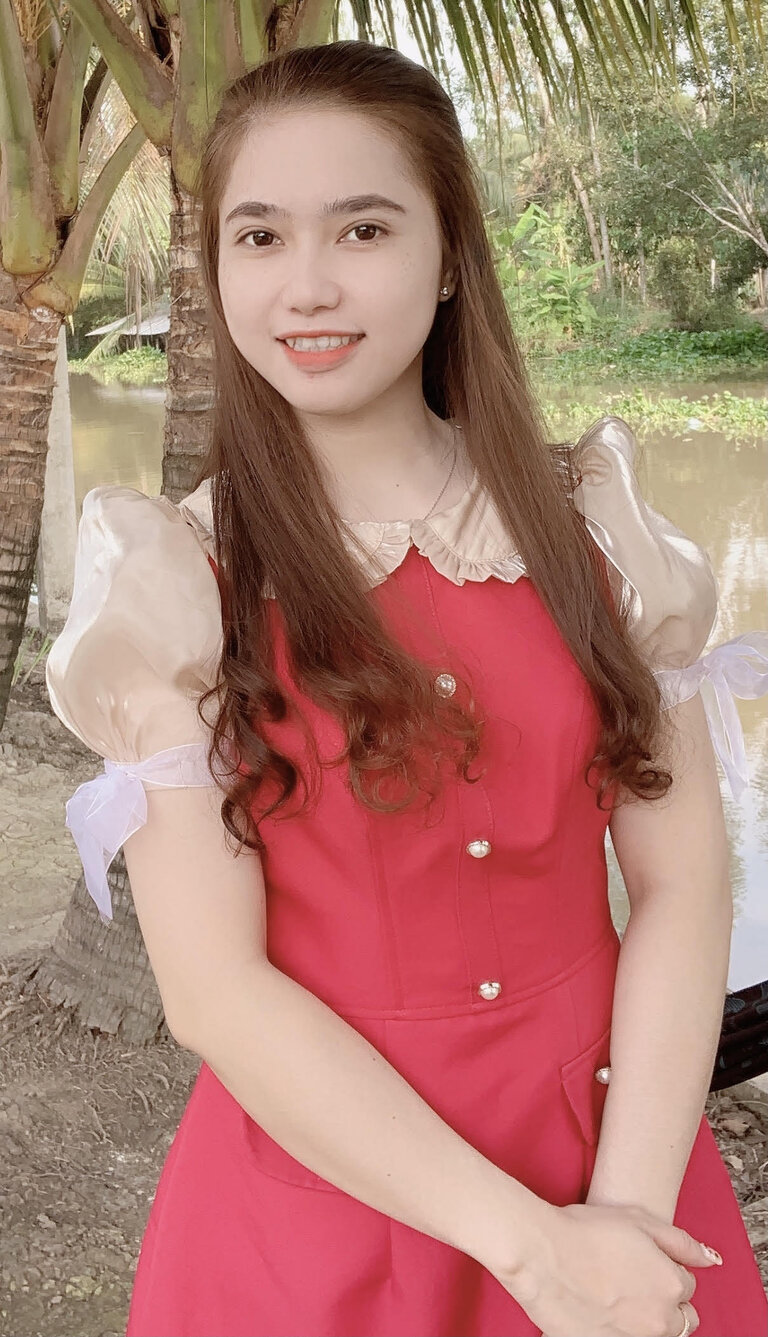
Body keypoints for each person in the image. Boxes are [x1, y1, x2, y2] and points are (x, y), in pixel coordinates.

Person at [44, 40, 768, 1337]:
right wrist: (537, 1253)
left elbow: (681, 883)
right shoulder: (180, 595)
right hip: (321, 1216)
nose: (307, 283)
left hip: (616, 1163)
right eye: (260, 236)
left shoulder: (601, 540)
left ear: (447, 258)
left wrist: (618, 1222)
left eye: (363, 228)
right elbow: (215, 992)